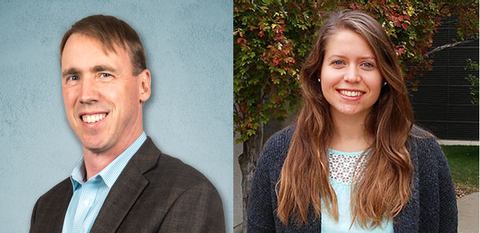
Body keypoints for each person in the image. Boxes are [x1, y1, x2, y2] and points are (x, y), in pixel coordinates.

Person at [248, 10, 457, 232]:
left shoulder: (423, 153)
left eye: (367, 64)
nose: (352, 77)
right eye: (338, 62)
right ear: (318, 71)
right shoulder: (280, 152)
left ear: (384, 76)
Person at [29, 15, 225, 233]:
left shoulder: (188, 195)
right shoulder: (46, 207)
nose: (85, 95)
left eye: (104, 74)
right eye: (73, 77)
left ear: (143, 86)